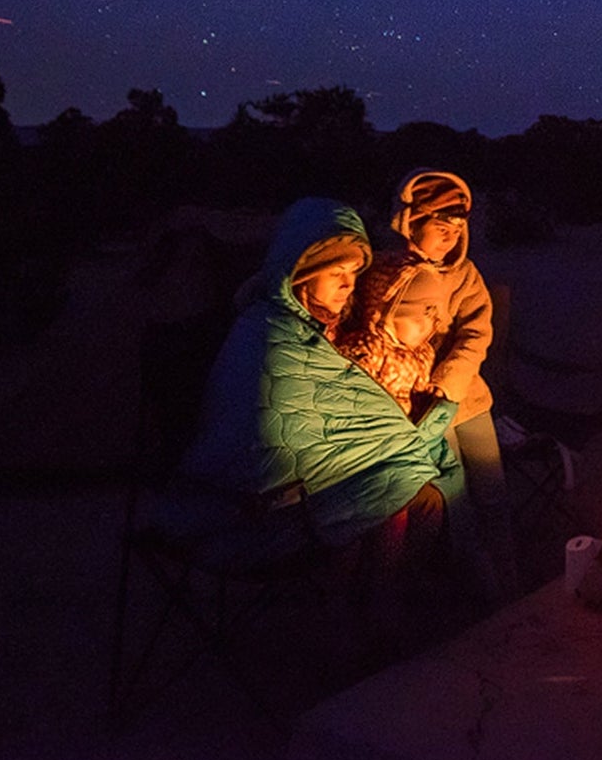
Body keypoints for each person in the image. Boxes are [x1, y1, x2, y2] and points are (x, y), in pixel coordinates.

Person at [168, 197, 483, 609]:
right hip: (257, 508)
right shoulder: (271, 332)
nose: (349, 284)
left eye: (353, 273)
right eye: (336, 272)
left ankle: (370, 603)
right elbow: (280, 415)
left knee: (412, 492)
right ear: (302, 272)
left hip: (299, 491)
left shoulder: (317, 327)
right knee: (406, 495)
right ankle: (364, 611)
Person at [351, 168, 519, 598]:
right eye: (441, 227)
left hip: (468, 400)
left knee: (493, 495)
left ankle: (508, 581)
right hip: (421, 410)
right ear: (410, 221)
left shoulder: (465, 276)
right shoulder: (386, 271)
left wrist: (448, 382)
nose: (450, 237)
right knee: (455, 503)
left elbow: (476, 333)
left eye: (458, 229)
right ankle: (475, 587)